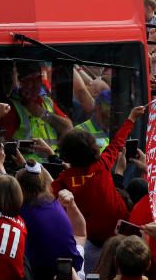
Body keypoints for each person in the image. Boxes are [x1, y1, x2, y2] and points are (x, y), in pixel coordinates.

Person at [52, 105, 145, 270]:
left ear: (66, 153)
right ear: (93, 147)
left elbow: (43, 192)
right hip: (123, 230)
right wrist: (131, 118)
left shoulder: (64, 181)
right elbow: (117, 143)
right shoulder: (102, 164)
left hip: (93, 240)